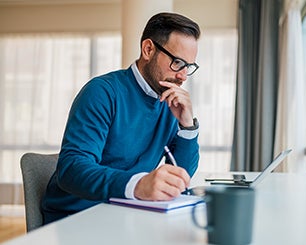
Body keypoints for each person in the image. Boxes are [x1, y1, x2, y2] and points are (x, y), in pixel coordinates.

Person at [41, 12, 201, 224]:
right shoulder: (102, 92)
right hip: (76, 217)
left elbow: (180, 176)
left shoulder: (168, 102)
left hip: (125, 214)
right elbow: (72, 169)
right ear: (148, 49)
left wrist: (187, 125)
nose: (182, 76)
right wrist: (138, 185)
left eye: (188, 67)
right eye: (178, 62)